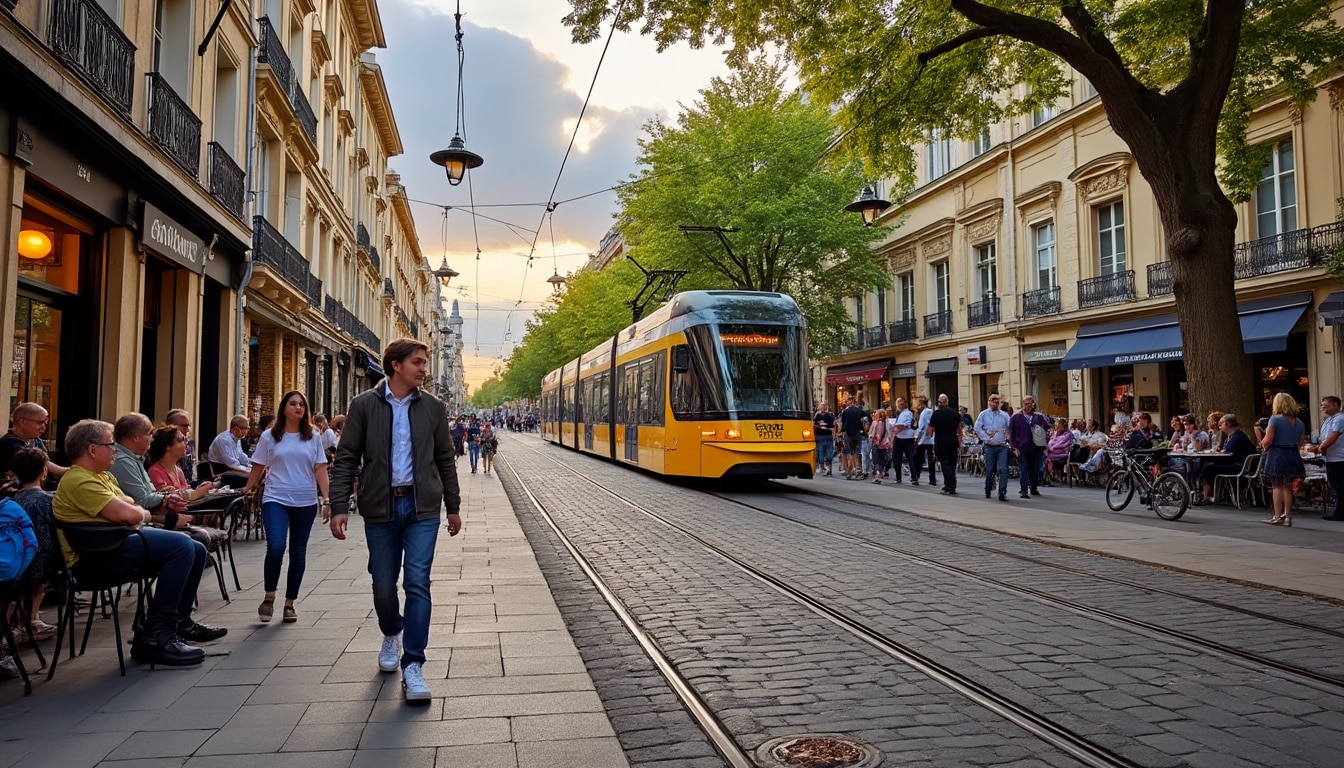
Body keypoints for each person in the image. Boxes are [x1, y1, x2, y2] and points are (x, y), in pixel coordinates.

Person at [328, 339, 461, 705]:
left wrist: (453, 504)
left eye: (425, 363)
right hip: (381, 508)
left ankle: (414, 664)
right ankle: (392, 631)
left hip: (422, 509)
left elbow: (445, 458)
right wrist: (338, 504)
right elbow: (347, 458)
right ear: (396, 365)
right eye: (417, 362)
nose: (424, 369)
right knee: (383, 584)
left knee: (418, 583)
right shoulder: (364, 405)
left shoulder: (433, 407)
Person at [53, 419, 226, 664]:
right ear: (92, 449)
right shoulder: (79, 480)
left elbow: (132, 505)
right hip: (94, 559)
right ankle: (157, 635)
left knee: (196, 549)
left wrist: (136, 514)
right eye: (109, 444)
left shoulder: (102, 477)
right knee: (182, 546)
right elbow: (130, 512)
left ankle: (179, 623)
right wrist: (138, 515)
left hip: (114, 546)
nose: (114, 449)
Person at [243, 391, 330, 624]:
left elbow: (320, 468)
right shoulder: (270, 436)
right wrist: (248, 489)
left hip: (305, 501)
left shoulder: (313, 436)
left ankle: (290, 603)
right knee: (276, 546)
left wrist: (327, 500)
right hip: (276, 498)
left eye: (302, 404)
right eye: (293, 404)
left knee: (298, 551)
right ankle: (269, 596)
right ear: (284, 408)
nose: (298, 408)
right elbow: (259, 465)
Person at [108, 413, 197, 527]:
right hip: (134, 525)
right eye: (150, 433)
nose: (152, 438)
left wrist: (165, 493)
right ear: (136, 437)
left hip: (145, 519)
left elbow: (148, 494)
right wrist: (167, 497)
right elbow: (142, 500)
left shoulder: (135, 459)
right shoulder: (123, 461)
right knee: (194, 539)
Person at [7, 448, 59, 640]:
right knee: (42, 573)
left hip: (14, 561)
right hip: (41, 562)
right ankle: (32, 619)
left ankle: (19, 621)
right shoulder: (48, 500)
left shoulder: (10, 500)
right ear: (44, 471)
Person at [1259, 392, 1306, 526]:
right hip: (1292, 453)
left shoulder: (1275, 419)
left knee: (1276, 485)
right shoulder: (1299, 422)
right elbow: (1301, 442)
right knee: (1288, 485)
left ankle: (1277, 516)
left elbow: (1268, 440)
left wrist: (1262, 443)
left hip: (1278, 453)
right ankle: (1288, 516)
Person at [147, 426, 219, 505]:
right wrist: (198, 492)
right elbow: (166, 499)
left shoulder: (178, 470)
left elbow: (186, 491)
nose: (186, 442)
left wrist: (200, 488)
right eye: (181, 440)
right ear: (167, 446)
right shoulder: (155, 471)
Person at [1196, 413, 1257, 504]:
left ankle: (1207, 496)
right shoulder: (1231, 437)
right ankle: (1204, 493)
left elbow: (1227, 453)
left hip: (1239, 467)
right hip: (1236, 464)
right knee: (1206, 464)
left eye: (1221, 424)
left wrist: (1218, 452)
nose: (1219, 427)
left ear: (1227, 424)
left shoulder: (1237, 437)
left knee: (1208, 467)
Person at [1, 403, 67, 481]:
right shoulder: (9, 444)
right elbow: (42, 464)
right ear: (22, 422)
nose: (44, 427)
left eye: (45, 423)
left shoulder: (37, 441)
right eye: (39, 423)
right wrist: (70, 471)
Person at [1008, 395, 1051, 498]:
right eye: (1026, 404)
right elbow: (1010, 432)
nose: (1029, 406)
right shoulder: (1016, 417)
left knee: (1035, 469)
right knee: (1024, 468)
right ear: (1022, 404)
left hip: (1036, 447)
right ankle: (1023, 490)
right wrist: (1014, 447)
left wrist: (1047, 435)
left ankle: (1034, 487)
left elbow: (1048, 428)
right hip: (1022, 447)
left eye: (1031, 404)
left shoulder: (1039, 417)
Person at [975, 394, 1012, 501]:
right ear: (989, 401)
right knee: (990, 469)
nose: (994, 403)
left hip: (1001, 446)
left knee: (1003, 469)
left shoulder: (1004, 415)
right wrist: (986, 437)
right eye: (992, 401)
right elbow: (977, 427)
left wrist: (1008, 436)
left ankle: (1002, 492)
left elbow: (1009, 428)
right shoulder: (983, 414)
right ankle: (988, 488)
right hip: (989, 446)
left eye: (997, 402)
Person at [1315, 396, 1344, 522]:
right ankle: (1338, 510)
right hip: (1330, 457)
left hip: (1339, 457)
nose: (1323, 408)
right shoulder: (1327, 421)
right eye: (1322, 406)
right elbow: (1323, 437)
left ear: (1335, 405)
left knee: (1340, 486)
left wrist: (1322, 447)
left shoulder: (1340, 419)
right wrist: (1321, 445)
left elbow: (1333, 437)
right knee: (1334, 484)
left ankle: (1340, 512)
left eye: (1326, 405)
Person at [929, 394, 963, 495]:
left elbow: (930, 431)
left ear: (940, 402)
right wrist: (959, 441)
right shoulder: (955, 413)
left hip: (941, 441)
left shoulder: (936, 414)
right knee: (952, 463)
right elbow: (960, 430)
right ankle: (953, 484)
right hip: (953, 440)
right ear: (947, 402)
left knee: (944, 463)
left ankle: (949, 486)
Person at [207, 415, 253, 488]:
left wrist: (252, 466)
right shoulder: (225, 440)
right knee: (252, 479)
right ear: (236, 429)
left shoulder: (236, 438)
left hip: (232, 469)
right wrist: (249, 472)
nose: (247, 431)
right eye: (246, 428)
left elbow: (241, 456)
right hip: (221, 472)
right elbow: (231, 464)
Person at [837, 398, 867, 480]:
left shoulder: (845, 412)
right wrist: (864, 429)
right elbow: (867, 418)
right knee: (857, 452)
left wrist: (841, 431)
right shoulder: (859, 411)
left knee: (847, 453)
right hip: (857, 433)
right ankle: (858, 471)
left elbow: (842, 423)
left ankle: (848, 472)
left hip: (848, 434)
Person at [164, 409, 197, 484]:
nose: (188, 430)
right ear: (170, 426)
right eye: (184, 426)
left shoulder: (190, 444)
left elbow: (192, 474)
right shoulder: (163, 445)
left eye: (189, 426)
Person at [889, 398, 916, 484]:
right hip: (900, 438)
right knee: (897, 458)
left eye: (899, 404)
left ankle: (914, 478)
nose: (898, 406)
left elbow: (902, 425)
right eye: (897, 404)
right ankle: (898, 477)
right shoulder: (900, 414)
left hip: (906, 438)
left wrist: (894, 431)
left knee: (910, 458)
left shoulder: (907, 413)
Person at [914, 395, 937, 487]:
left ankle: (916, 475)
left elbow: (922, 426)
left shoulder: (924, 413)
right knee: (930, 458)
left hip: (924, 438)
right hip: (931, 438)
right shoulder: (931, 411)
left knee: (919, 458)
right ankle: (932, 478)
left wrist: (917, 437)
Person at [1045, 418, 1075, 484]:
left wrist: (1053, 446)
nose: (1056, 427)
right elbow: (1051, 442)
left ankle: (1050, 476)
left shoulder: (1068, 434)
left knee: (1046, 457)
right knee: (1044, 456)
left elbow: (1062, 444)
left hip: (1063, 453)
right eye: (1056, 425)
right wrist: (1051, 446)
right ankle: (1047, 477)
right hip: (1053, 452)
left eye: (1058, 425)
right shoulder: (1055, 433)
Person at [867, 409, 891, 484]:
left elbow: (871, 433)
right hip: (884, 445)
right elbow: (889, 434)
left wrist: (871, 437)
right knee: (881, 461)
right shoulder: (887, 423)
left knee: (875, 461)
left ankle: (877, 475)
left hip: (876, 444)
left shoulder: (875, 423)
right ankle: (881, 474)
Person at [812, 403, 836, 476]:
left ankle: (827, 468)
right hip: (822, 436)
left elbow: (834, 424)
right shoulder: (818, 415)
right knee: (822, 452)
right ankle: (823, 467)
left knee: (827, 453)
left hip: (826, 436)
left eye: (823, 407)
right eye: (821, 407)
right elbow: (814, 424)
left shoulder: (830, 415)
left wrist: (832, 431)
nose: (822, 408)